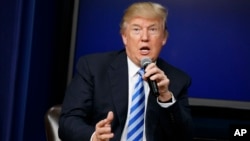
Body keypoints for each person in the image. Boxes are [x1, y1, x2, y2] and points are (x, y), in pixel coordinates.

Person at [59, 1, 193, 141]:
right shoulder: (94, 68)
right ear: (124, 36)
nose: (144, 37)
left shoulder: (177, 80)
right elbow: (68, 121)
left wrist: (166, 97)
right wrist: (94, 136)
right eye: (136, 29)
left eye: (153, 29)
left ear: (164, 38)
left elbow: (184, 137)